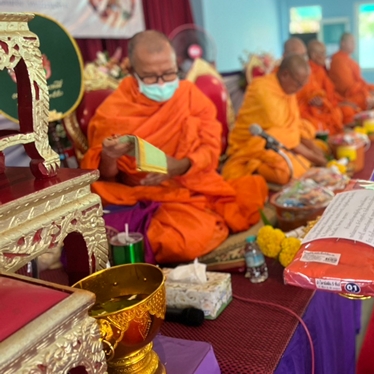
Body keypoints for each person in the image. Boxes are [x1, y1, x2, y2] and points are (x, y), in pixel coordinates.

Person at [81, 30, 268, 264]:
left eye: (169, 73)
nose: (162, 84)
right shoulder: (113, 112)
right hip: (137, 196)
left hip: (191, 185)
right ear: (132, 72)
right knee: (176, 240)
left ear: (176, 64)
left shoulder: (190, 96)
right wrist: (109, 156)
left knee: (249, 194)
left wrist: (179, 166)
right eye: (150, 77)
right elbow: (106, 179)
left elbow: (211, 150)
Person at [222, 54, 327, 185]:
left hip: (279, 142)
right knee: (287, 172)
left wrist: (314, 150)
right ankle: (254, 167)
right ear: (285, 75)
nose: (299, 89)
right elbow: (280, 137)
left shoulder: (286, 88)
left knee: (319, 145)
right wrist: (316, 159)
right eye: (299, 84)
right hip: (254, 146)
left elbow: (293, 128)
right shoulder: (264, 92)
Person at [296, 40, 345, 135]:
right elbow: (306, 97)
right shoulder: (306, 71)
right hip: (309, 110)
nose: (325, 56)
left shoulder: (321, 70)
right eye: (323, 53)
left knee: (339, 112)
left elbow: (329, 93)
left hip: (323, 105)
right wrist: (323, 103)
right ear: (313, 55)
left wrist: (328, 103)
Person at [328, 33, 374, 110]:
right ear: (343, 43)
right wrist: (364, 90)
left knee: (373, 89)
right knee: (365, 98)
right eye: (351, 42)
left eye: (354, 42)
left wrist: (366, 88)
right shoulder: (338, 60)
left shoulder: (348, 59)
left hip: (355, 90)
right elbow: (346, 86)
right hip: (345, 96)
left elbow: (358, 80)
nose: (354, 45)